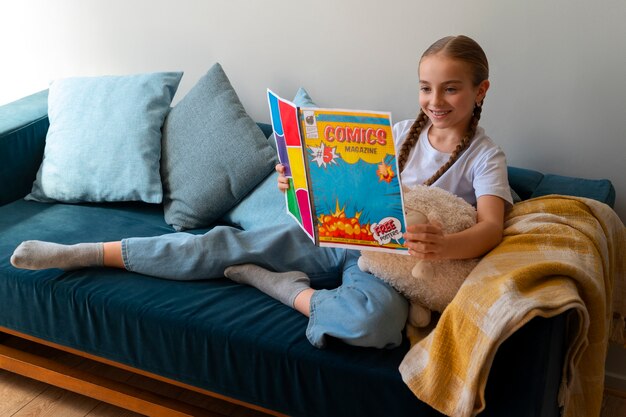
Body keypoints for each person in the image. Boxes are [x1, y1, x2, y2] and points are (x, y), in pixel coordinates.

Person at [10, 35, 512, 349]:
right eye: (426, 87)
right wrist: (301, 180)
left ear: (480, 90)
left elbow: (491, 227)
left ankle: (279, 286)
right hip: (341, 237)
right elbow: (350, 190)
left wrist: (444, 246)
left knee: (371, 324)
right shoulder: (400, 131)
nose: (435, 100)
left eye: (451, 88)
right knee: (219, 243)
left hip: (392, 268)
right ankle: (86, 253)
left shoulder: (485, 157)